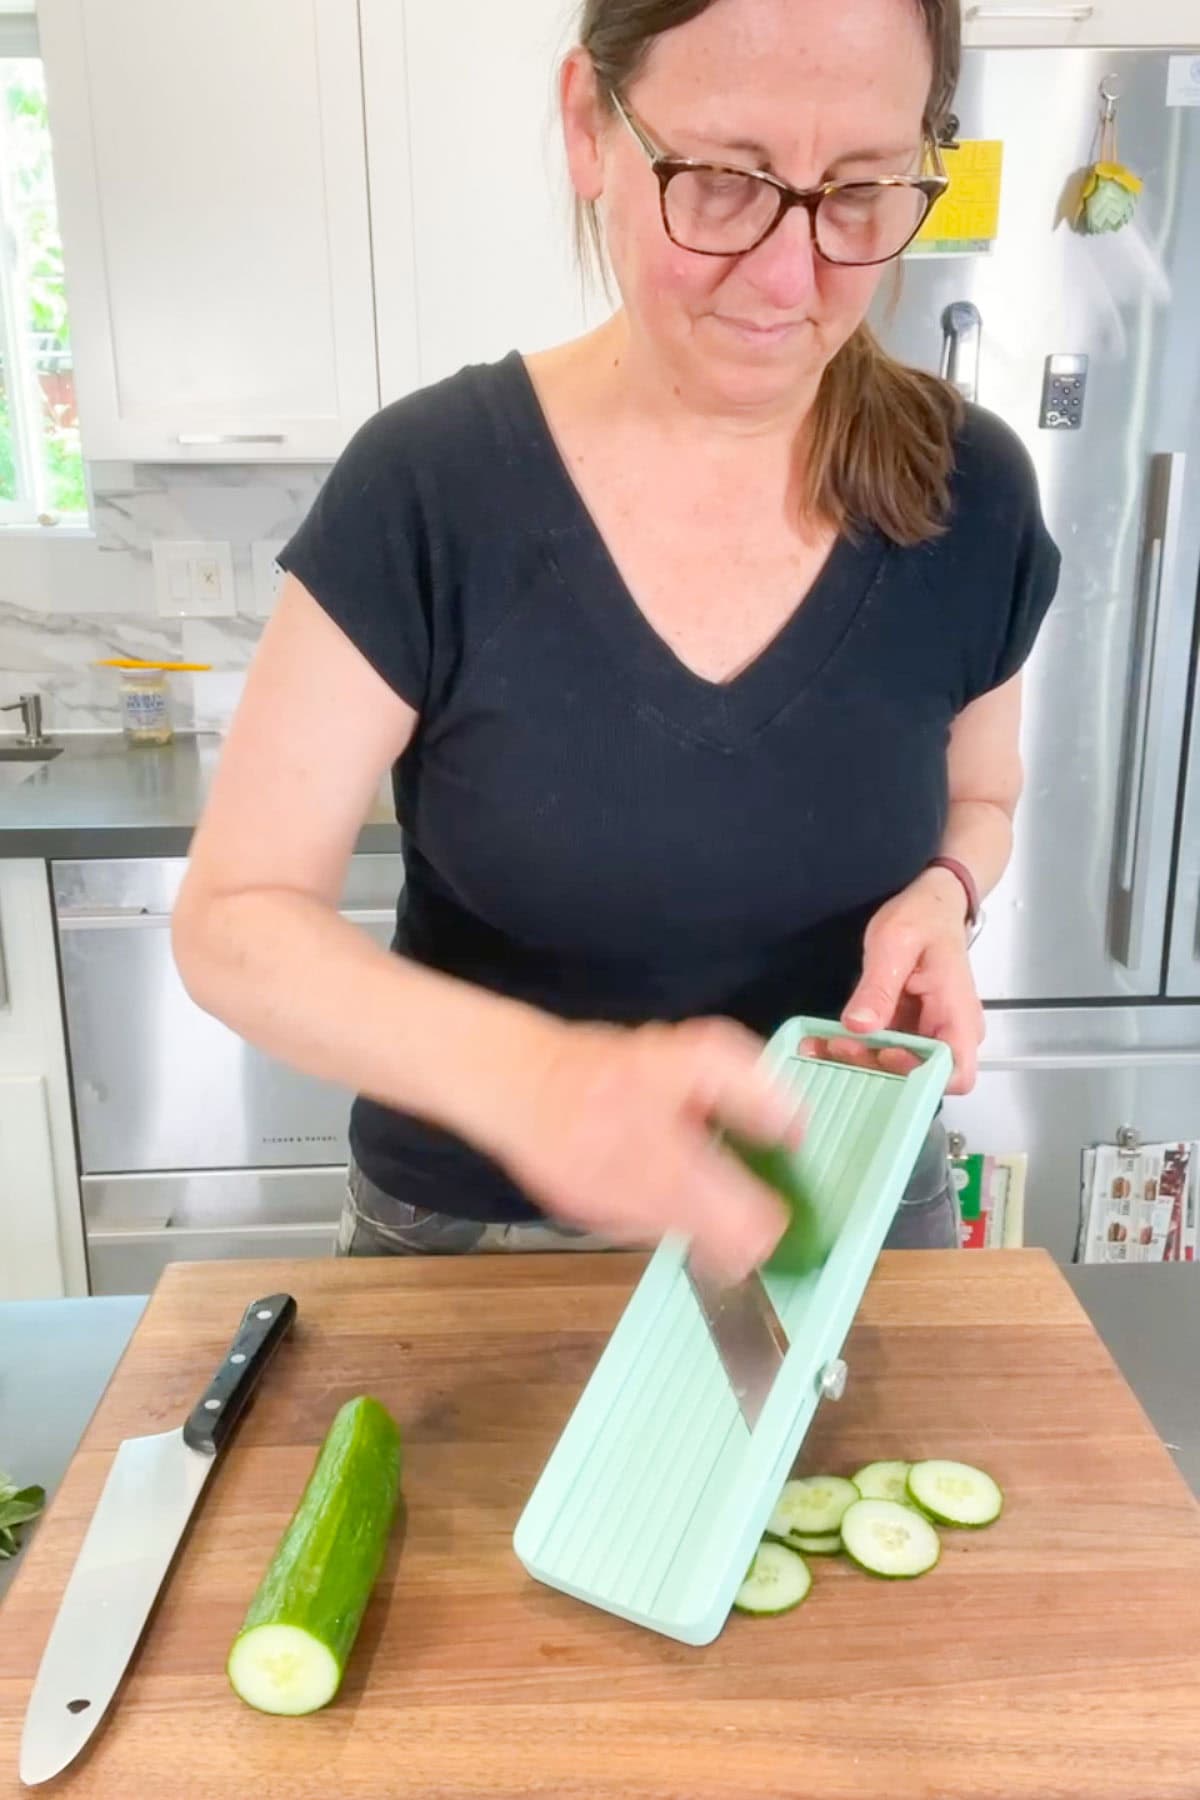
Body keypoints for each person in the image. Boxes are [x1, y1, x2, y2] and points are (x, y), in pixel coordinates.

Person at [173, 0, 1059, 1279]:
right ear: (590, 127)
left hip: (845, 1209)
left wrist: (944, 891)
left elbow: (984, 792)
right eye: (721, 181)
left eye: (861, 191)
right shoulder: (430, 488)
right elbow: (234, 920)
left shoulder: (968, 488)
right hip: (478, 1243)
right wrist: (537, 1083)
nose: (787, 277)